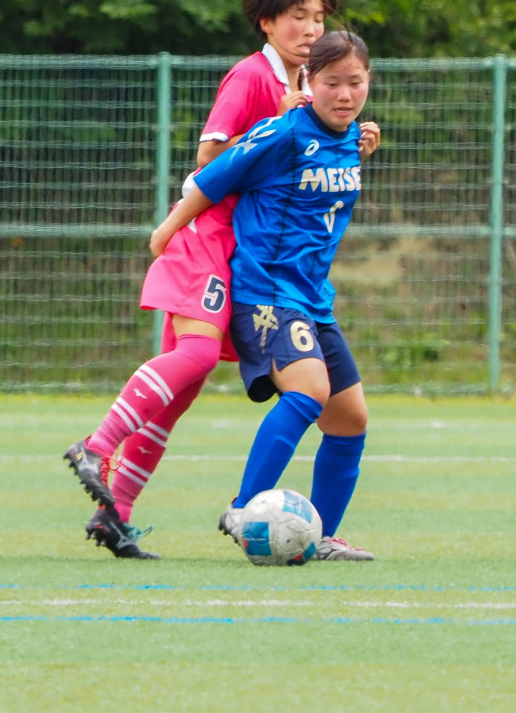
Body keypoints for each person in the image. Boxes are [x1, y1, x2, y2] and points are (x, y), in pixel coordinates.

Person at [63, 0, 381, 559]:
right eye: (299, 17)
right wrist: (284, 123)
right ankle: (98, 444)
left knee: (184, 390)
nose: (312, 28)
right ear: (268, 22)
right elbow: (212, 161)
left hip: (251, 253)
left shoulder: (315, 95)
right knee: (202, 355)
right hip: (210, 237)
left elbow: (317, 149)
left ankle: (116, 514)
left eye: (319, 17)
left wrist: (348, 134)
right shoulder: (256, 80)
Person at [148, 29, 376, 560]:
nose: (344, 95)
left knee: (350, 421)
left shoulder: (350, 136)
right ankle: (244, 505)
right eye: (332, 83)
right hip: (266, 294)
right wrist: (166, 230)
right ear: (308, 82)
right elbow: (213, 176)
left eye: (356, 83)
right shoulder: (281, 134)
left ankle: (319, 539)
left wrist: (364, 141)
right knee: (308, 391)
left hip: (313, 298)